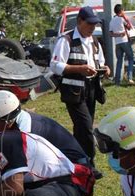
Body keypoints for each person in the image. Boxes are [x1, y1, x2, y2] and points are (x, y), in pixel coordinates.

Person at [50, 6, 110, 177]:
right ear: (79, 21)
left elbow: (100, 62)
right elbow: (55, 65)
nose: (92, 27)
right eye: (89, 24)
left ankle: (76, 161)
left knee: (82, 128)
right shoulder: (66, 40)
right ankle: (89, 165)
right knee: (86, 128)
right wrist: (79, 68)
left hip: (91, 89)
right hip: (73, 91)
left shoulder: (94, 42)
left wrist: (105, 69)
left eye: (95, 24)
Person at [0, 90, 95, 176]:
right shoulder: (19, 122)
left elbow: (21, 168)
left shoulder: (27, 132)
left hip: (75, 168)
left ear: (7, 120)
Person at [109, 4, 135, 86]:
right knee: (131, 58)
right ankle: (129, 78)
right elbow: (130, 26)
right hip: (125, 42)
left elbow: (110, 34)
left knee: (119, 61)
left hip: (117, 43)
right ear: (121, 11)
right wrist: (125, 17)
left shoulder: (112, 21)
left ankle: (117, 82)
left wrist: (118, 35)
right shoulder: (122, 19)